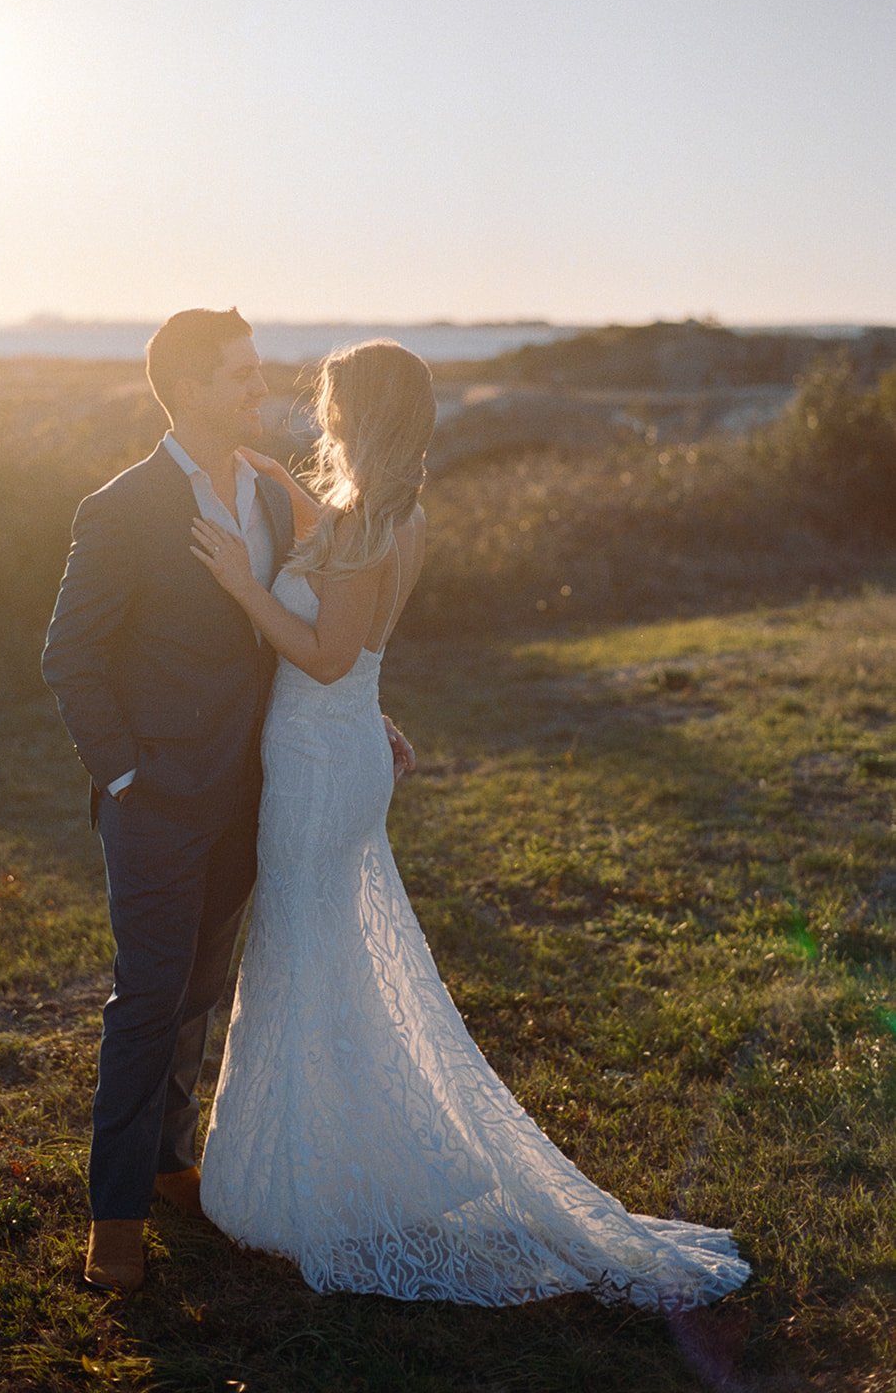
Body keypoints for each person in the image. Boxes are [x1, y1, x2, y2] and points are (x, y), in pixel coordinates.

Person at [190, 337, 751, 1311]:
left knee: (303, 959)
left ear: (353, 415)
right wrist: (279, 486)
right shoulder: (383, 516)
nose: (315, 416)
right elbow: (350, 631)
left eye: (327, 405)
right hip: (342, 748)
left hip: (321, 766)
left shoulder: (368, 522)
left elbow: (325, 655)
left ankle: (318, 1180)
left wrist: (242, 584)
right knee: (323, 963)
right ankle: (346, 1157)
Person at [40, 307, 417, 1293]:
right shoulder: (119, 507)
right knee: (148, 997)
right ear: (191, 387)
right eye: (242, 376)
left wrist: (361, 712)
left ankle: (168, 1162)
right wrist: (124, 775)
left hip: (258, 792)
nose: (263, 389)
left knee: (200, 991)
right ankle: (112, 1218)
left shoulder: (266, 488)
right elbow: (67, 657)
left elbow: (325, 618)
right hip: (155, 800)